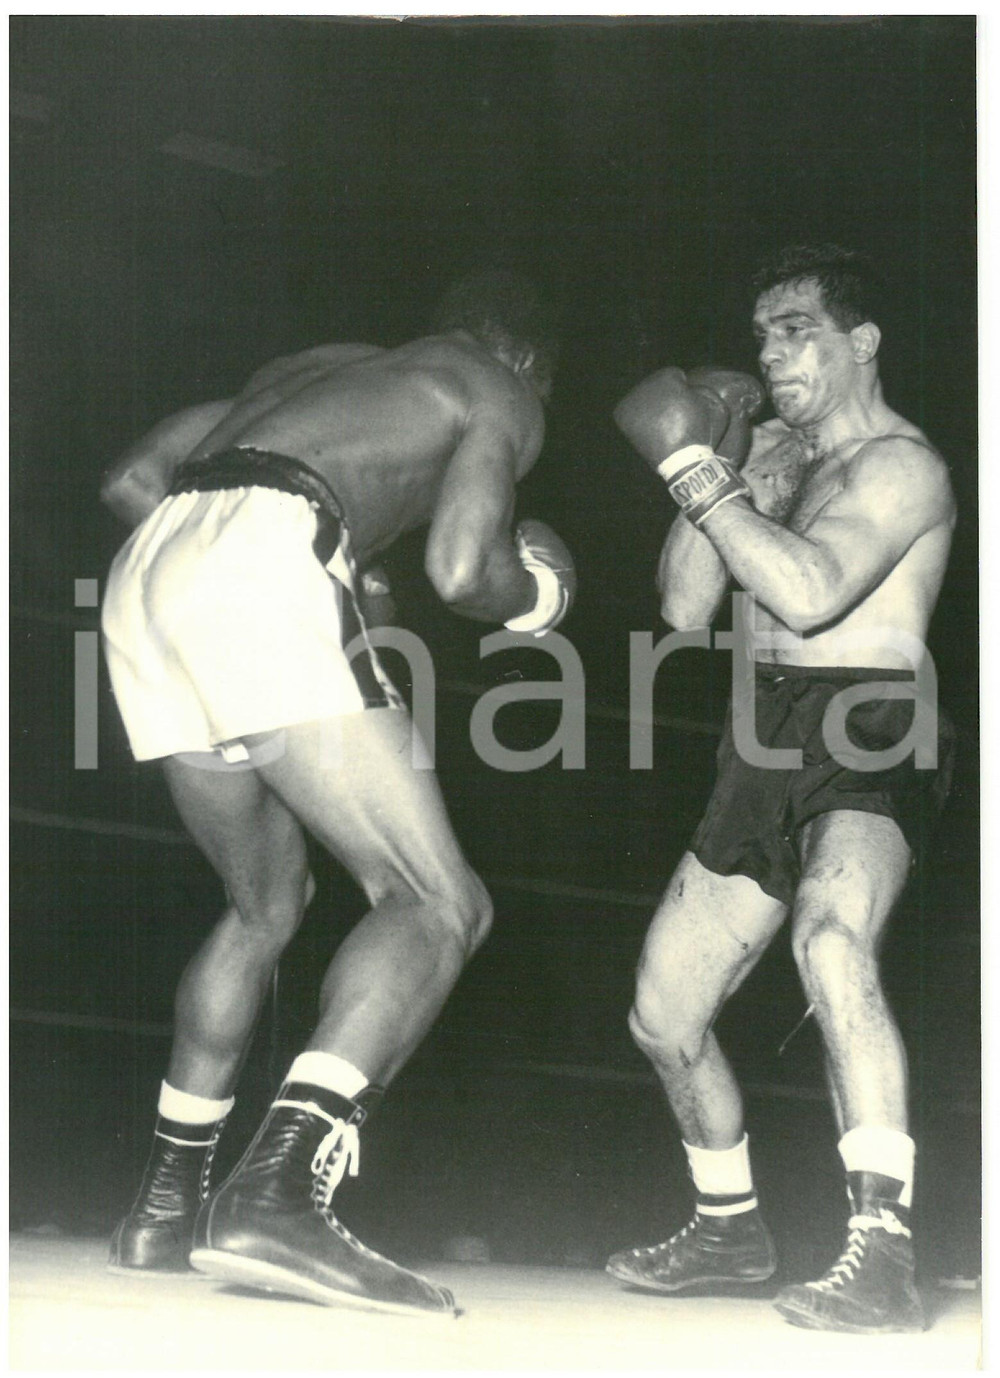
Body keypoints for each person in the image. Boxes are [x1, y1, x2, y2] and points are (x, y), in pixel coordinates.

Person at [99, 271, 575, 1316]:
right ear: (527, 362)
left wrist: (329, 570)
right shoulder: (499, 389)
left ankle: (163, 1206)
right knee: (437, 901)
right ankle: (276, 1195)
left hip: (149, 571)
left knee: (264, 907)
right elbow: (462, 570)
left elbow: (134, 474)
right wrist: (539, 594)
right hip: (263, 558)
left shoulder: (312, 375)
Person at [605, 245, 955, 1333]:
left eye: (796, 328)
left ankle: (882, 1249)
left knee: (831, 940)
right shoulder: (769, 454)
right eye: (761, 333)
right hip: (758, 738)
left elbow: (806, 593)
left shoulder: (904, 468)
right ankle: (727, 1226)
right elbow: (680, 607)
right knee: (663, 1015)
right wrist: (714, 463)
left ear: (862, 343)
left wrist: (697, 476)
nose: (770, 351)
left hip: (870, 718)